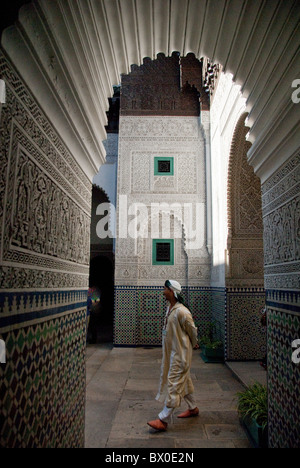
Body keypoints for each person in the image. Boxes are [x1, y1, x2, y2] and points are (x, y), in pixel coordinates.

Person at [147, 280, 199, 432]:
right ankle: (193, 408)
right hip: (172, 353)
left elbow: (192, 330)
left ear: (172, 291)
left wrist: (194, 343)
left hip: (180, 354)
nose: (163, 291)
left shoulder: (182, 312)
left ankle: (163, 419)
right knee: (184, 381)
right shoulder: (170, 309)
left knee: (174, 383)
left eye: (165, 289)